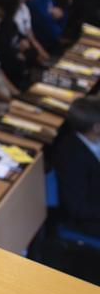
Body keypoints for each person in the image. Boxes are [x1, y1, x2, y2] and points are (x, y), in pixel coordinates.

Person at [54, 96, 100, 237]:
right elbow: (79, 208)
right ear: (96, 127)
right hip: (90, 221)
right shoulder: (72, 158)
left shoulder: (93, 138)